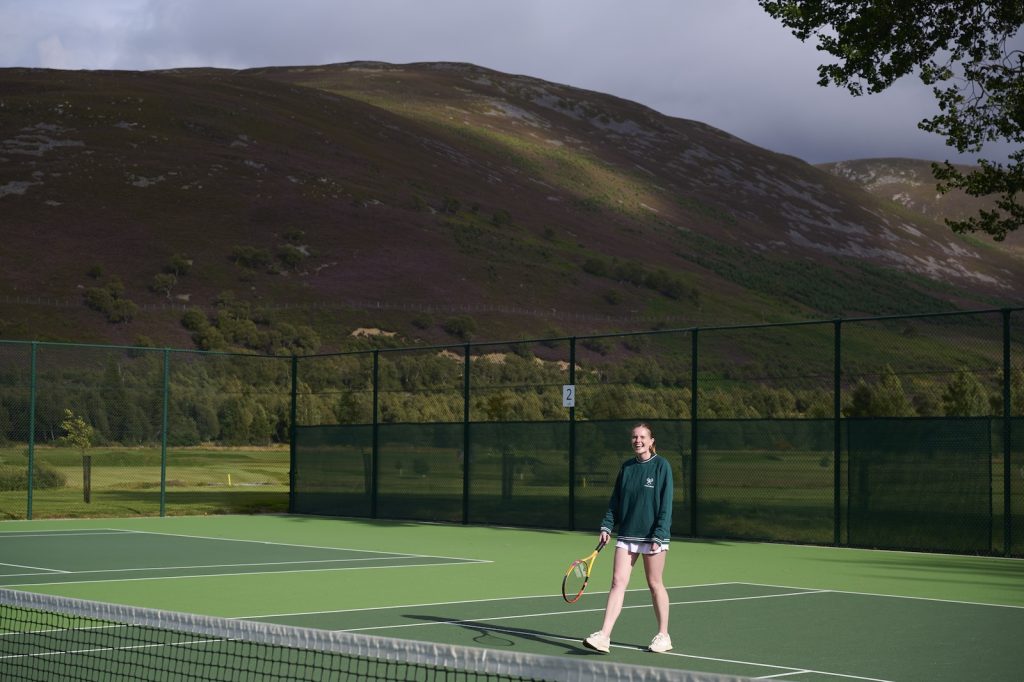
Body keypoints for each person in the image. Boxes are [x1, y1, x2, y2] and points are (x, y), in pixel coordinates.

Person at [583, 423, 673, 654]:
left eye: (642, 437)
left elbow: (666, 505)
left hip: (653, 536)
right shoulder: (627, 468)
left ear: (652, 441)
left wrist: (660, 535)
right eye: (634, 437)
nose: (638, 441)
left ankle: (663, 635)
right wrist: (607, 526)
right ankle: (604, 636)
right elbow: (616, 501)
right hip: (627, 536)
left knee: (654, 584)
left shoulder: (662, 466)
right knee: (617, 582)